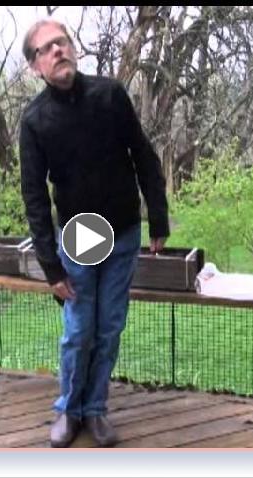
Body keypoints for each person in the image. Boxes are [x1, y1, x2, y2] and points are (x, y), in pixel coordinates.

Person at [19, 19, 169, 447]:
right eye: (45, 49)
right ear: (36, 67)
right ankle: (69, 409)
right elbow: (34, 196)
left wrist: (157, 217)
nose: (57, 51)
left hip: (122, 231)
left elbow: (142, 154)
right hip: (78, 238)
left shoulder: (110, 96)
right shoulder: (35, 121)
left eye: (61, 43)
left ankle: (96, 410)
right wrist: (51, 268)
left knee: (109, 327)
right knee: (79, 329)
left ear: (73, 48)